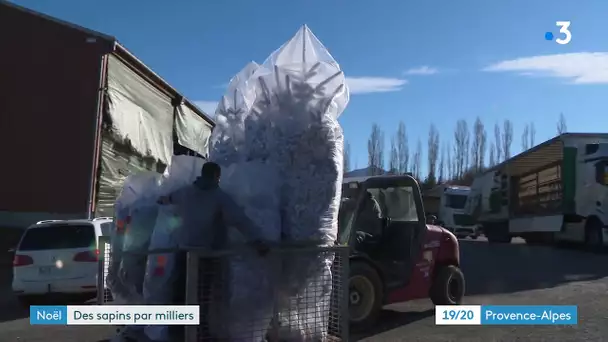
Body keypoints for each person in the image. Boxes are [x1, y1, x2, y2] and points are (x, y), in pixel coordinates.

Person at [158, 161, 269, 339]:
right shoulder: (219, 197)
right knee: (200, 298)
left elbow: (168, 198)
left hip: (183, 254)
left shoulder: (186, 191)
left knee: (180, 295)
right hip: (204, 256)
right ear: (217, 176)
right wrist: (257, 240)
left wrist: (161, 200)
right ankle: (198, 335)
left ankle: (177, 334)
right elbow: (241, 220)